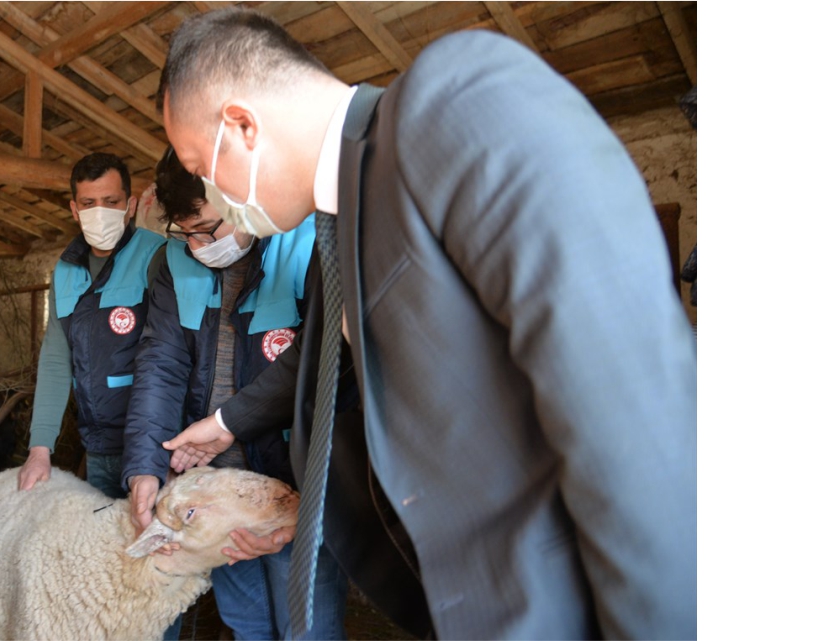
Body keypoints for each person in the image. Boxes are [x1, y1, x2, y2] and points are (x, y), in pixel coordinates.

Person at [157, 8, 697, 640]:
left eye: (200, 166)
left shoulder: (452, 100)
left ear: (241, 125)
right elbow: (322, 365)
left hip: (563, 606)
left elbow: (626, 401)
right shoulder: (339, 226)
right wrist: (224, 425)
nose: (211, 193)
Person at [122, 148, 348, 641]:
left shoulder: (309, 243)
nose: (200, 244)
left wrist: (228, 423)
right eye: (187, 231)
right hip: (217, 492)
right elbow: (160, 364)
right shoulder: (174, 261)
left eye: (210, 226)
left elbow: (322, 358)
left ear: (240, 196)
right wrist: (144, 465)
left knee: (306, 626)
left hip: (292, 482)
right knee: (245, 622)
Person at [16, 152, 166, 499]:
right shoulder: (66, 270)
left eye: (110, 201)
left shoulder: (157, 256)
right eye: (89, 203)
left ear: (130, 205)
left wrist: (161, 449)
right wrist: (40, 449)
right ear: (74, 209)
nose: (100, 211)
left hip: (155, 446)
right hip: (99, 444)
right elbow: (56, 359)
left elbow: (171, 356)